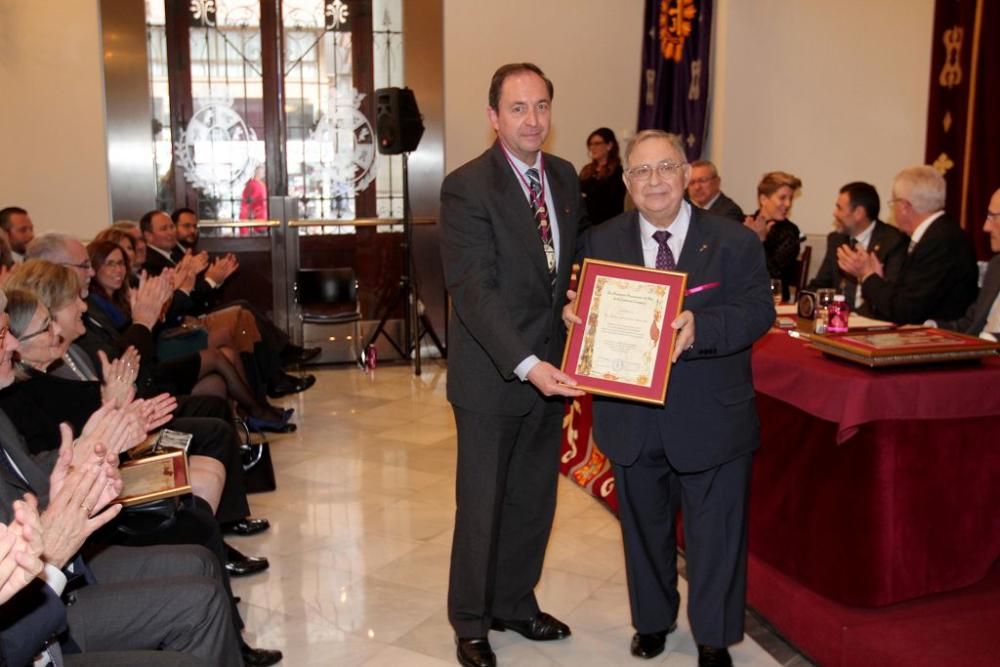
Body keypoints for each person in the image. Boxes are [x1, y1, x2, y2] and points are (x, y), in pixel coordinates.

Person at [565, 130, 774, 667]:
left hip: (713, 415)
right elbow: (584, 310)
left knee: (716, 535)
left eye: (665, 168)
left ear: (686, 174)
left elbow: (757, 312)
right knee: (643, 530)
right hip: (632, 416)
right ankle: (653, 622)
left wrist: (701, 327)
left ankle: (713, 635)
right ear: (627, 181)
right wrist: (575, 319)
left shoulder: (735, 242)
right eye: (640, 171)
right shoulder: (601, 241)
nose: (654, 181)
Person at [440, 62, 586, 667]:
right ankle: (471, 621)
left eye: (542, 106)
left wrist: (582, 304)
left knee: (533, 499)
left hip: (553, 369)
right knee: (482, 504)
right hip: (496, 373)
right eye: (519, 108)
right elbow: (473, 289)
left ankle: (515, 603)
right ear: (493, 116)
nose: (533, 119)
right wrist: (526, 363)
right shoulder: (467, 186)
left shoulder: (567, 176)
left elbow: (569, 266)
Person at [837, 165, 978, 324]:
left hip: (937, 340)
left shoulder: (940, 241)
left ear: (904, 206)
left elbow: (906, 311)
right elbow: (904, 299)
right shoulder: (934, 235)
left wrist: (867, 274)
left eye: (894, 203)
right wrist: (877, 279)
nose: (894, 210)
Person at [807, 182, 908, 311]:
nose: (834, 213)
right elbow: (821, 285)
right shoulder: (836, 240)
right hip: (838, 320)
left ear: (858, 213)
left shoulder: (893, 241)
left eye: (839, 208)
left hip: (873, 318)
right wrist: (805, 302)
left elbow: (891, 296)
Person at [933, 188, 1000, 339]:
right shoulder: (996, 265)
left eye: (993, 217)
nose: (985, 227)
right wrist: (932, 329)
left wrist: (991, 340)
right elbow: (972, 322)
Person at [744, 171, 802, 302]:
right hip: (741, 297)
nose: (788, 204)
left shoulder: (790, 232)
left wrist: (760, 241)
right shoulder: (745, 223)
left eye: (790, 198)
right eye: (782, 198)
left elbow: (775, 275)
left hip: (772, 301)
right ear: (764, 199)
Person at [579, 127, 626, 225]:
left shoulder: (617, 172)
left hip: (606, 224)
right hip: (585, 224)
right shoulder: (587, 170)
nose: (592, 148)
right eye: (590, 144)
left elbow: (613, 205)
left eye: (597, 143)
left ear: (609, 145)